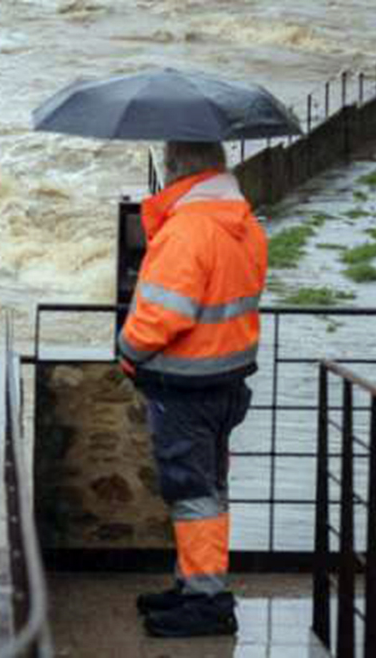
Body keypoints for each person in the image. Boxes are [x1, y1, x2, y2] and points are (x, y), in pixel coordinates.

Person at [118, 141, 267, 638]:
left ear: (176, 169)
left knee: (192, 491)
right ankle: (194, 583)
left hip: (186, 383)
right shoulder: (243, 223)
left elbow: (163, 314)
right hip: (227, 380)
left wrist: (129, 349)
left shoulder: (188, 230)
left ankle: (204, 601)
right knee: (210, 488)